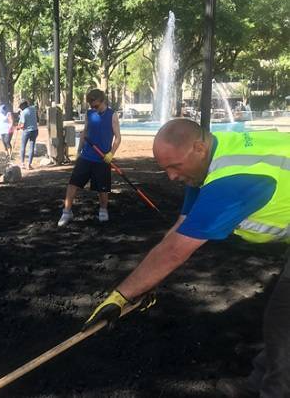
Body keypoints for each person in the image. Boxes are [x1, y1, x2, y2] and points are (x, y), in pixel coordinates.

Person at [84, 119, 290, 398]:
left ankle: (272, 392)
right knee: (281, 317)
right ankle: (259, 384)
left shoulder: (231, 182)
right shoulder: (210, 159)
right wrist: (146, 284)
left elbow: (176, 251)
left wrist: (121, 296)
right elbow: (179, 231)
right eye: (165, 168)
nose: (170, 177)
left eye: (174, 166)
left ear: (198, 148)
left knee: (282, 318)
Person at [57, 89, 121, 226]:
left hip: (103, 158)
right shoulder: (90, 114)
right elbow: (85, 132)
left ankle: (103, 210)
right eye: (91, 106)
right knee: (73, 183)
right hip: (87, 156)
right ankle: (67, 211)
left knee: (102, 188)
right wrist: (79, 150)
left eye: (96, 106)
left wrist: (111, 154)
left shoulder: (112, 115)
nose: (93, 108)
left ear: (103, 101)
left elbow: (118, 137)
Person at [18, 99, 38, 170]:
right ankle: (29, 164)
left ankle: (22, 163)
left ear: (23, 105)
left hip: (26, 131)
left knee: (23, 146)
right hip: (35, 130)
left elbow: (22, 125)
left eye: (20, 106)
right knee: (31, 147)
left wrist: (18, 127)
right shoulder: (33, 109)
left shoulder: (23, 112)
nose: (20, 108)